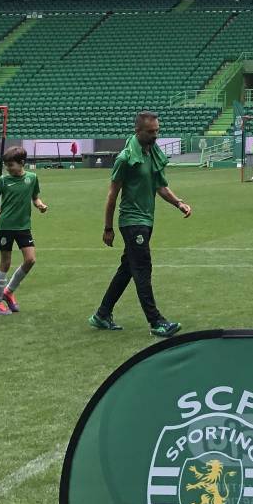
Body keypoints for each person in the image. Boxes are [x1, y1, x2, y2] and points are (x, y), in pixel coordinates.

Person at [89, 111, 191, 338]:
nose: (156, 135)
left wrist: (178, 203)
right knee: (142, 268)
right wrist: (108, 227)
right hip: (132, 221)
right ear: (138, 131)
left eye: (157, 131)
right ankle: (156, 321)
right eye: (151, 132)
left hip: (146, 220)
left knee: (127, 269)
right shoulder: (125, 158)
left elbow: (161, 187)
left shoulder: (152, 153)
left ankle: (102, 314)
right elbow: (112, 195)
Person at [0, 145, 47, 314]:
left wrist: (40, 205)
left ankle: (8, 291)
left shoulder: (32, 178)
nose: (7, 168)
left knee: (30, 260)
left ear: (22, 163)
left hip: (24, 227)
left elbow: (35, 198)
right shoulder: (2, 181)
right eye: (6, 165)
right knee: (5, 263)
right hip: (5, 227)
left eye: (11, 165)